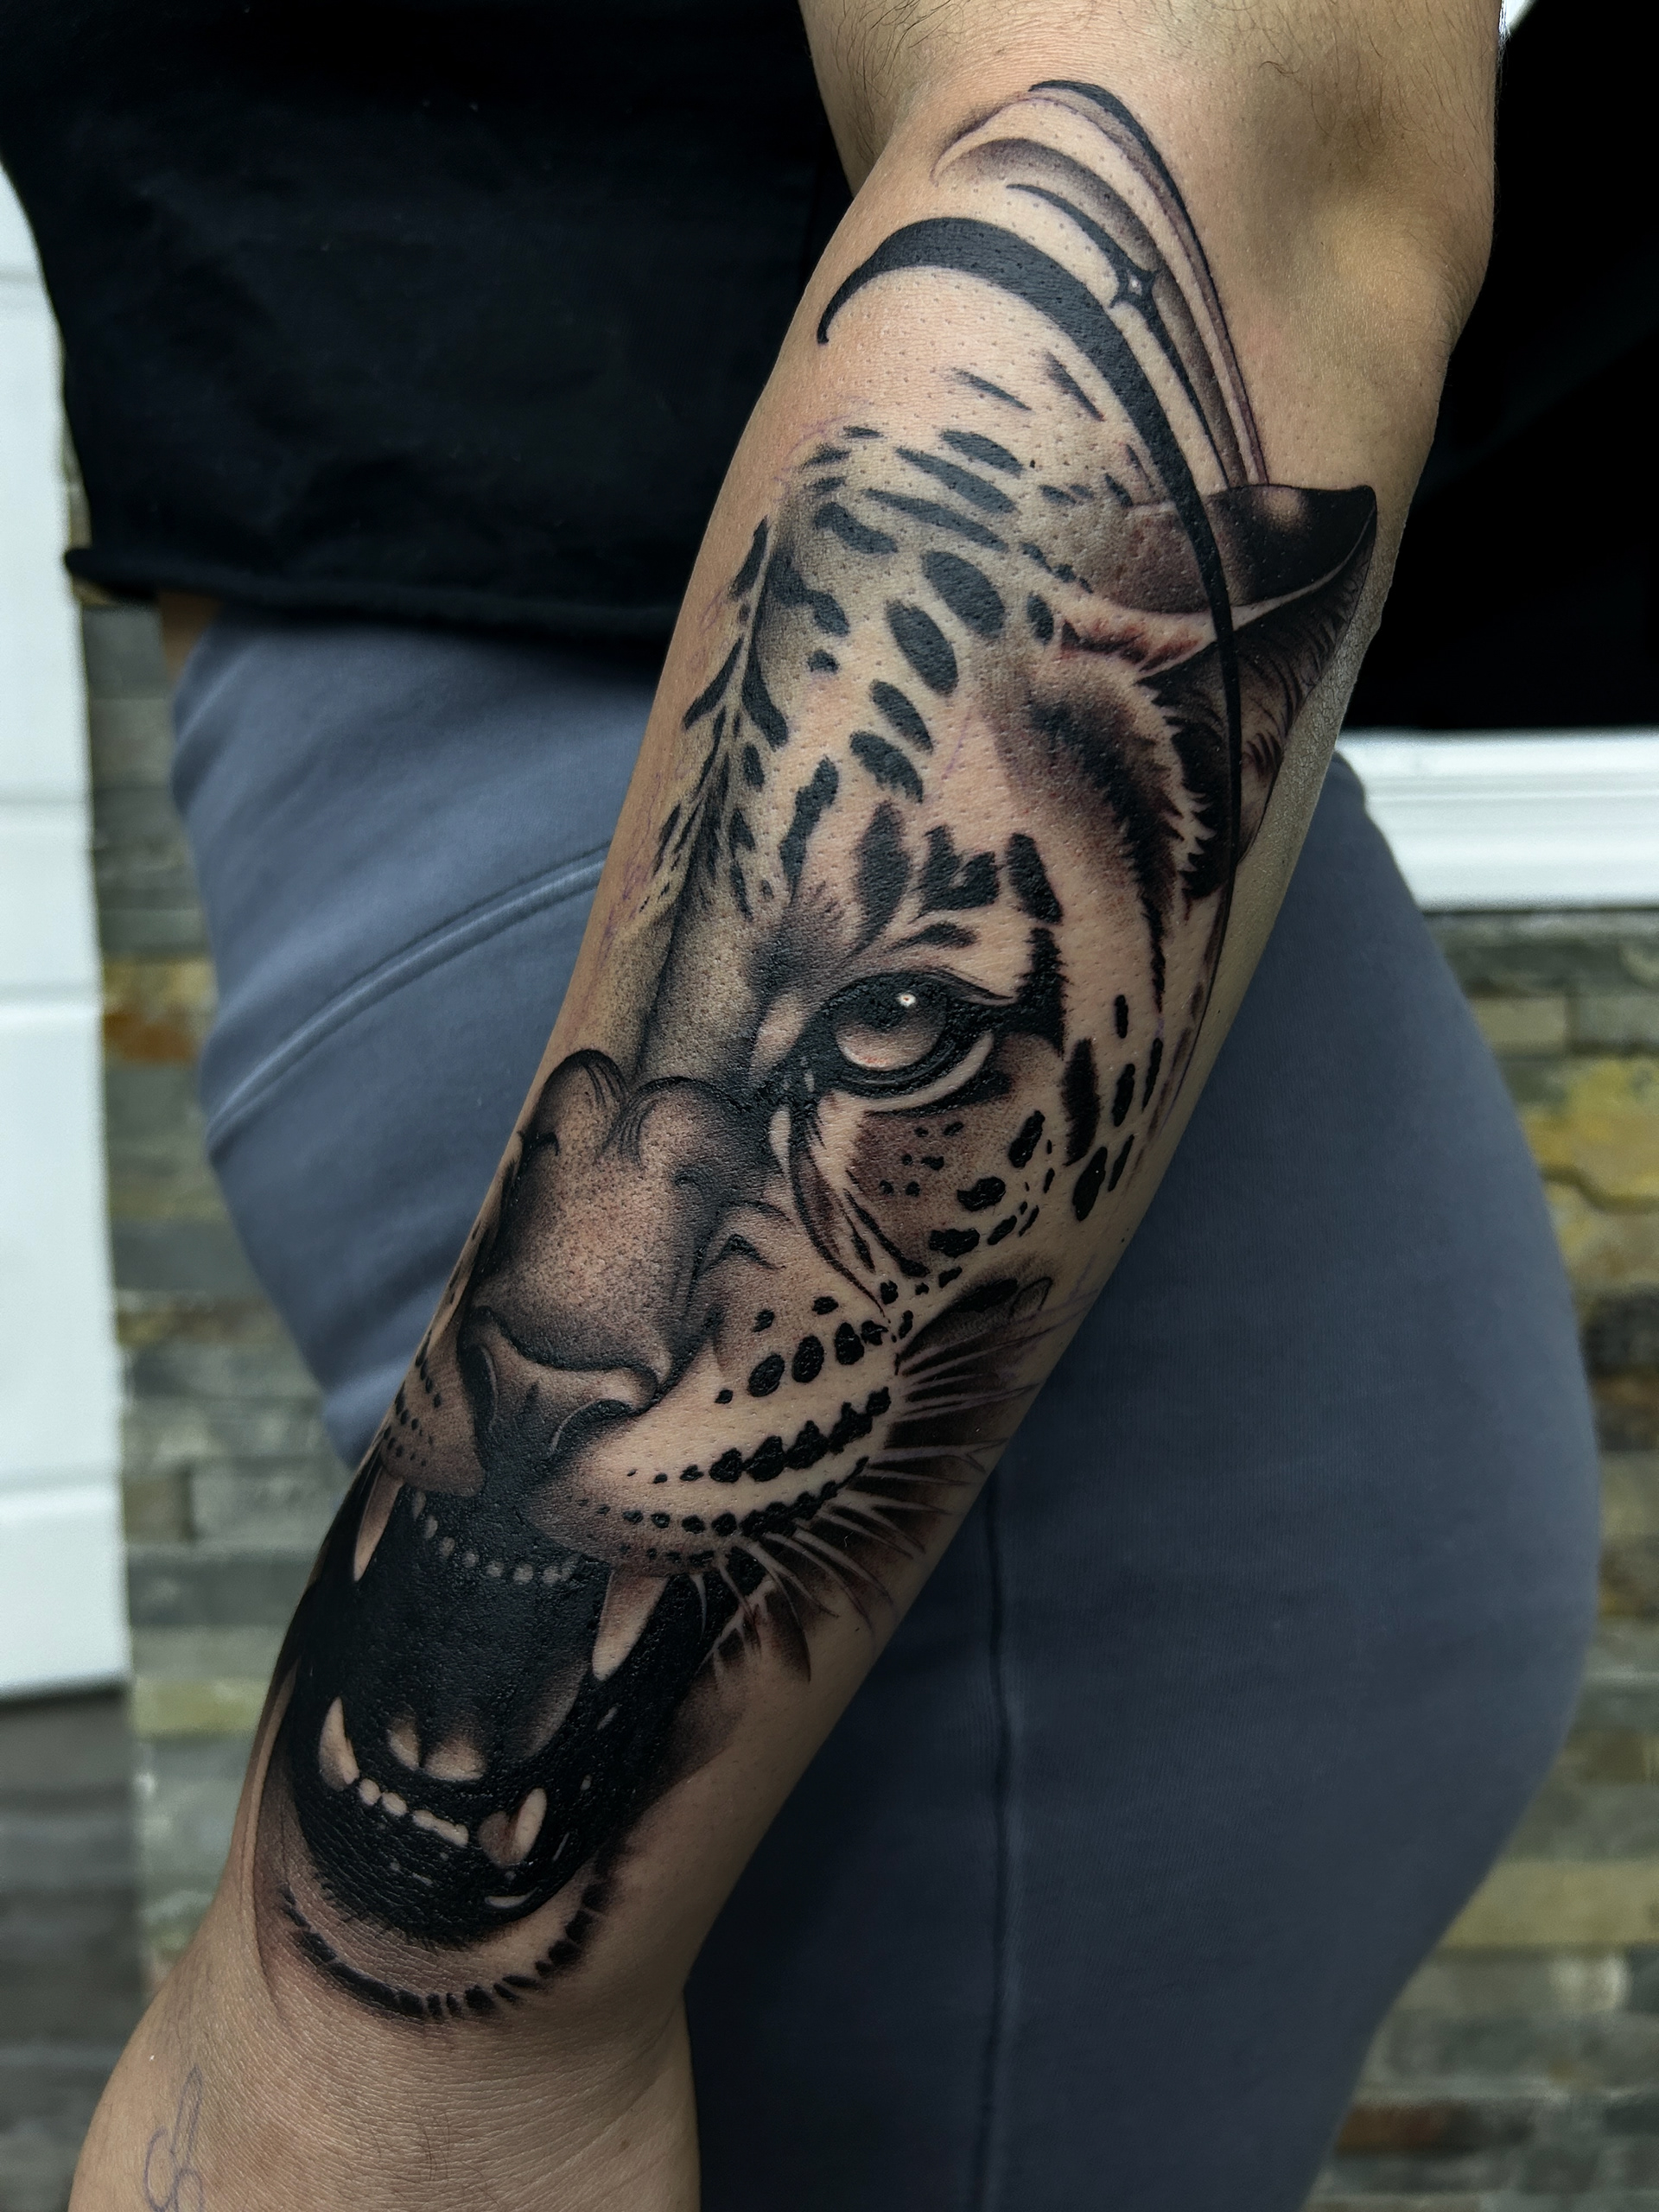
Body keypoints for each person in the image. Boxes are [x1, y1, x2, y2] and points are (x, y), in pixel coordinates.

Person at [0, 2, 1598, 2206]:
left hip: (1029, 1544)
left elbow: (1222, 117)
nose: (574, 1323)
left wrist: (378, 2042)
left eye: (894, 1022)